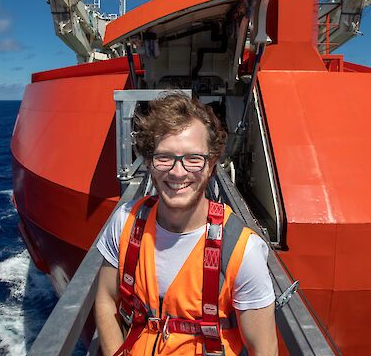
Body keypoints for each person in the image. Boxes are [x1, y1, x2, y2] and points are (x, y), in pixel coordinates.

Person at [94, 93, 278, 356]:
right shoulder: (125, 222)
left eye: (193, 158)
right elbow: (105, 299)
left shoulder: (241, 251)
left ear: (211, 164)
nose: (178, 172)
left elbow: (264, 348)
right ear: (149, 162)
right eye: (164, 157)